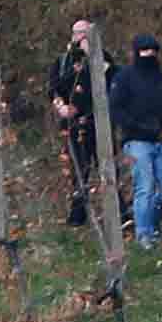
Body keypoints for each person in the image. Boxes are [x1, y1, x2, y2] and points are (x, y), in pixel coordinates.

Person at [108, 35, 162, 240]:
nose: (149, 55)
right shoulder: (123, 78)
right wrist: (140, 128)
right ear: (136, 53)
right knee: (144, 186)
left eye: (153, 51)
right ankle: (144, 235)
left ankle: (151, 220)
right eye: (144, 51)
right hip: (136, 141)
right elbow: (116, 110)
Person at [51, 26, 102, 227]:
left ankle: (120, 212)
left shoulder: (101, 58)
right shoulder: (64, 61)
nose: (80, 37)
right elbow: (54, 89)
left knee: (106, 167)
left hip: (97, 122)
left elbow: (110, 80)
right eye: (77, 33)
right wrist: (61, 107)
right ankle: (77, 214)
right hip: (73, 123)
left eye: (85, 33)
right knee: (79, 168)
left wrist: (91, 56)